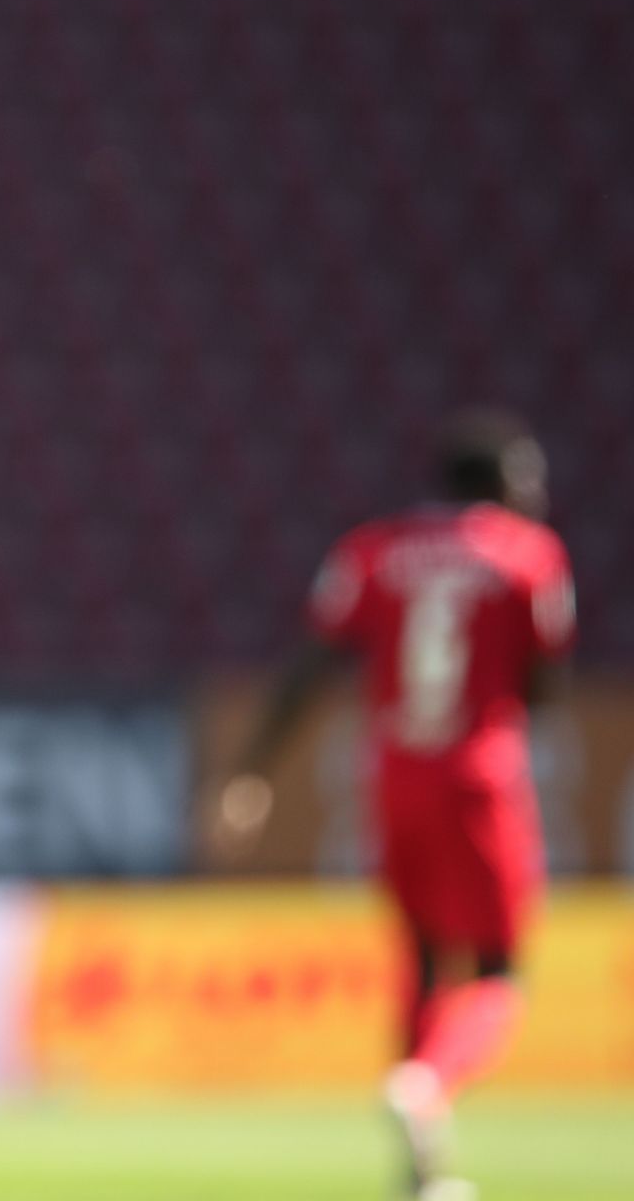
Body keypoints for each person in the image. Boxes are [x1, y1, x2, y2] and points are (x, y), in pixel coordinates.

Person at [218, 410, 574, 1201]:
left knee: (417, 957)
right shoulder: (528, 556)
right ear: (499, 482)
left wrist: (251, 772)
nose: (539, 494)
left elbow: (311, 666)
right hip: (480, 778)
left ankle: (422, 1173)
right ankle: (428, 1084)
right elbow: (541, 684)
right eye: (529, 478)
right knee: (497, 969)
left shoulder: (370, 551)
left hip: (394, 779)